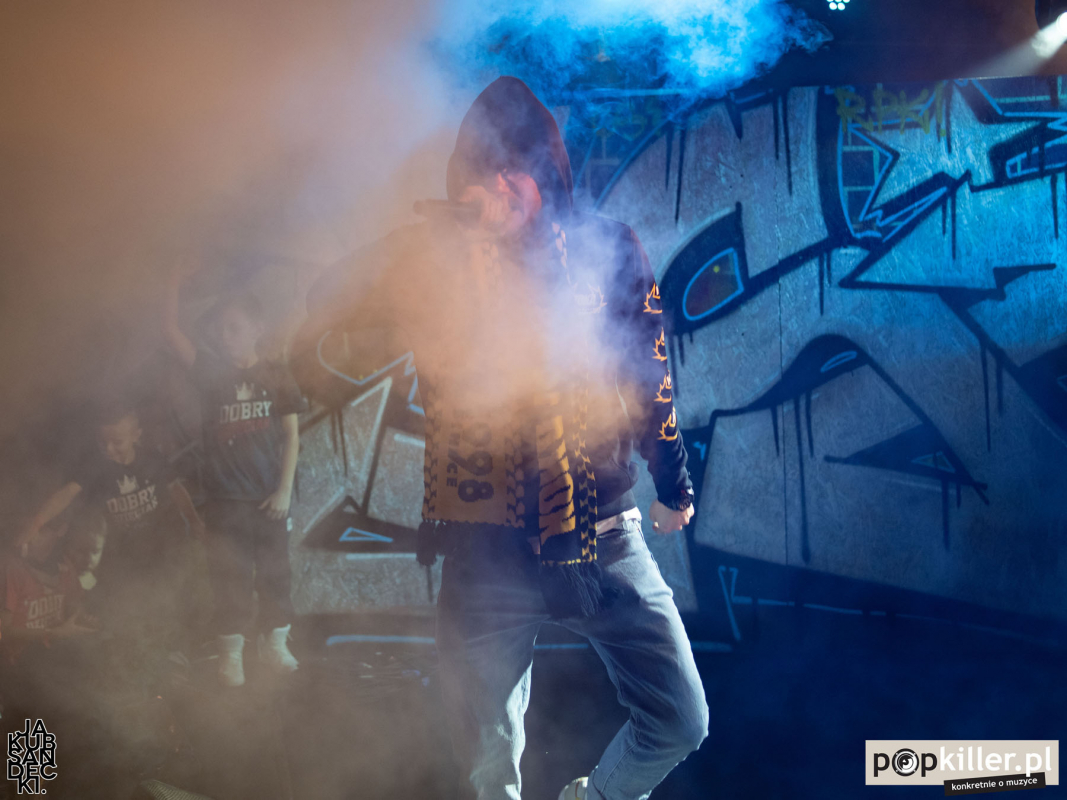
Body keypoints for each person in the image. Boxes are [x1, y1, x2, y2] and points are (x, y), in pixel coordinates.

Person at [302, 76, 708, 800]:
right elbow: (326, 299)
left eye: (511, 171)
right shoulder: (435, 260)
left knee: (680, 720)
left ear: (539, 173)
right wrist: (414, 249)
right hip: (481, 550)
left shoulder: (607, 248)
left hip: (601, 535)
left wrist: (674, 482)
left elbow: (648, 375)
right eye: (480, 175)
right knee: (488, 765)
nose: (497, 187)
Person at [164, 267, 305, 687]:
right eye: (221, 330)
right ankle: (231, 656)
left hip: (269, 499)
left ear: (257, 329)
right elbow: (170, 331)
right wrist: (172, 278)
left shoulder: (276, 374)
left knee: (276, 576)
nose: (225, 337)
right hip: (225, 502)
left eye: (234, 328)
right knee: (230, 579)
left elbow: (292, 437)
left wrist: (284, 491)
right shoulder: (211, 373)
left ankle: (274, 646)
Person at [20, 403, 204, 657]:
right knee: (131, 606)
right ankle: (139, 653)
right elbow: (67, 494)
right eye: (102, 442)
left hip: (161, 545)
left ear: (136, 435)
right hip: (125, 553)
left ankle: (178, 650)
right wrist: (37, 522)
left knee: (172, 597)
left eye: (117, 442)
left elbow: (176, 489)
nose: (108, 449)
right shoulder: (95, 468)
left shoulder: (152, 459)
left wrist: (194, 520)